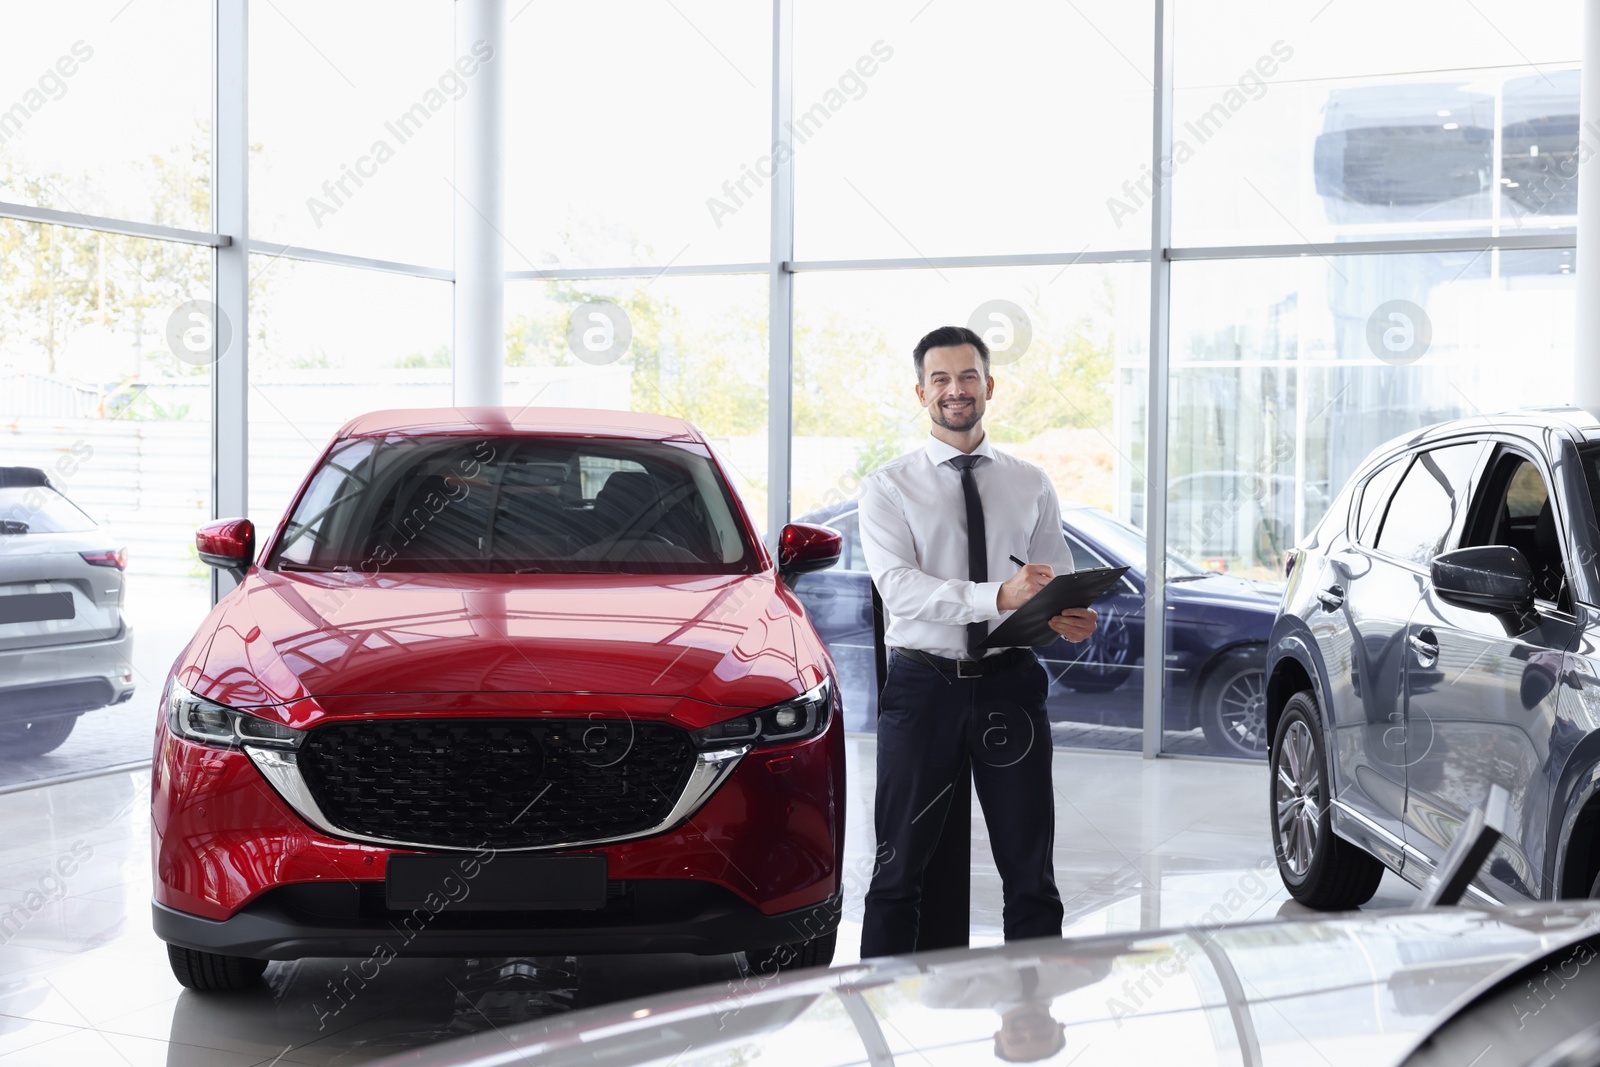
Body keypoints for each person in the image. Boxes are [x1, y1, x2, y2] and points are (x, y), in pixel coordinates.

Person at [858, 324, 1098, 958]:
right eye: (940, 379)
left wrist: (1066, 615)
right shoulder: (887, 486)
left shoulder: (1030, 483)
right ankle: (878, 1028)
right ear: (920, 392)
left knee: (1030, 872)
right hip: (922, 688)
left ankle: (1032, 1014)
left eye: (967, 377)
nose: (955, 390)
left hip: (1010, 685)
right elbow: (900, 588)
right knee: (896, 869)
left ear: (988, 386)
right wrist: (997, 595)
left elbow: (1053, 578)